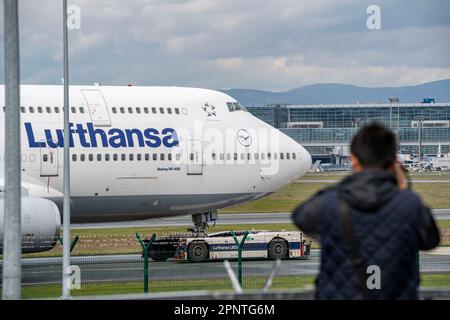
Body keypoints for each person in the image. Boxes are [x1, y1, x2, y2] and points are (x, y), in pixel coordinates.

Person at [292, 123, 440, 300]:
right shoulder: (410, 203)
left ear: (353, 159)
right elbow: (431, 240)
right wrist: (404, 188)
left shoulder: (332, 201)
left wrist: (347, 184)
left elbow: (300, 216)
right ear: (393, 161)